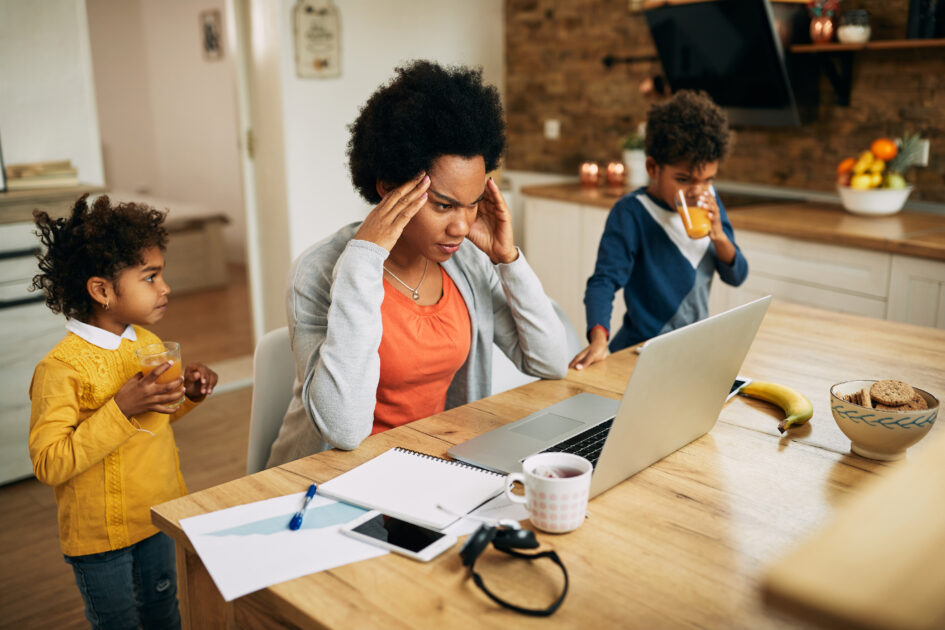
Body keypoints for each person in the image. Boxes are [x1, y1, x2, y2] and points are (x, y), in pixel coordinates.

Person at [267, 60, 569, 467]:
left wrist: (507, 260)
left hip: (432, 467)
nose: (461, 226)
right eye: (443, 205)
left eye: (473, 203)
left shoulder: (466, 264)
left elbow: (548, 361)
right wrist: (364, 259)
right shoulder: (319, 271)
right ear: (390, 188)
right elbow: (343, 429)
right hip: (331, 479)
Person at [29, 194, 218, 630]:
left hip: (156, 515)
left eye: (161, 275)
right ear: (102, 291)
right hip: (101, 541)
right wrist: (120, 409)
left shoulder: (148, 344)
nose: (164, 287)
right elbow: (49, 462)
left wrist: (187, 394)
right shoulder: (60, 369)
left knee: (165, 615)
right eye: (149, 277)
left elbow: (157, 418)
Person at [570, 90, 748, 370]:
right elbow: (603, 281)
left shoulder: (709, 202)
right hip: (640, 352)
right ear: (652, 167)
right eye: (683, 179)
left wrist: (719, 236)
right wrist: (598, 339)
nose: (696, 191)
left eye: (707, 179)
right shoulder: (631, 212)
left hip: (692, 351)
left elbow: (737, 275)